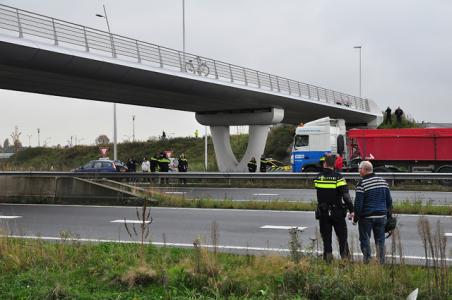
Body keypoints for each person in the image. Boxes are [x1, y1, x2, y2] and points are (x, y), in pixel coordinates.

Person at [314, 155, 354, 262]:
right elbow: (346, 196)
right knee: (342, 238)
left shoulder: (318, 177)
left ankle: (328, 262)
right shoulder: (338, 177)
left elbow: (319, 189)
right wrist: (352, 210)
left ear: (325, 164)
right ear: (334, 164)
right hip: (337, 212)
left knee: (326, 239)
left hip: (323, 213)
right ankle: (345, 261)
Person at [353, 161, 393, 264]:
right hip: (381, 216)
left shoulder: (361, 184)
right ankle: (381, 262)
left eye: (359, 169)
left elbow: (358, 204)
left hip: (367, 217)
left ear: (364, 170)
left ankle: (367, 261)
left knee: (365, 239)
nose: (359, 171)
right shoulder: (383, 181)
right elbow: (389, 201)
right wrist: (388, 216)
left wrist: (355, 218)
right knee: (380, 241)